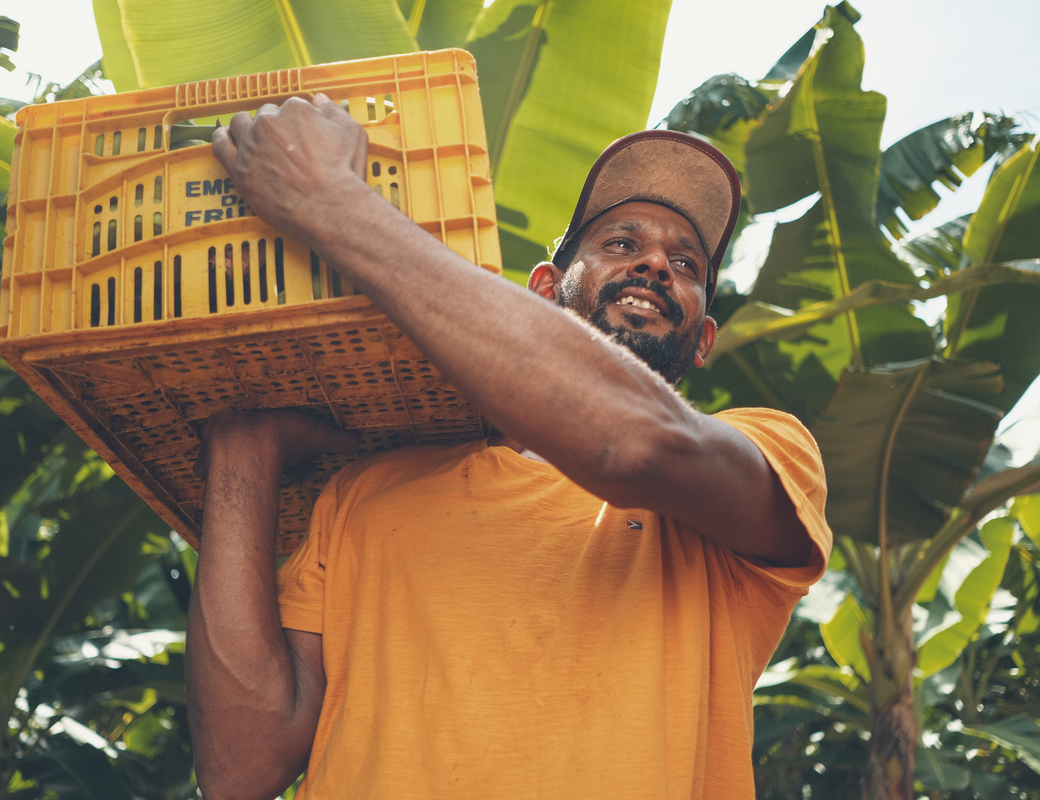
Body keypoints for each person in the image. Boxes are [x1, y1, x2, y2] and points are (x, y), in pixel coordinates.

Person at [184, 94, 833, 800]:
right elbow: (240, 772)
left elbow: (628, 444)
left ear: (704, 339)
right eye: (621, 243)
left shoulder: (766, 456)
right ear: (544, 289)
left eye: (686, 263)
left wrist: (330, 202)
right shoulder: (367, 492)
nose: (654, 265)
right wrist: (243, 451)